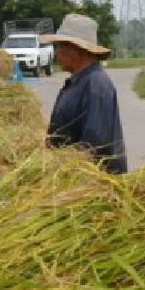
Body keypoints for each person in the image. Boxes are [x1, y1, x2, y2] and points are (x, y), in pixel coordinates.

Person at [41, 14, 128, 174]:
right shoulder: (77, 82)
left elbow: (95, 147)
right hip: (68, 175)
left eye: (60, 46)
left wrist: (64, 166)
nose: (57, 53)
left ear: (77, 49)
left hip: (92, 180)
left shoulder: (96, 85)